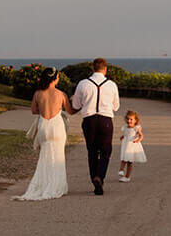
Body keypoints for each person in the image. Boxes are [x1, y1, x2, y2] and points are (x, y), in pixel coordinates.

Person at [15, 68, 71, 201]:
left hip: (44, 127)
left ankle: (43, 184)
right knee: (58, 157)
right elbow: (70, 110)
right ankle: (57, 186)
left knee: (44, 156)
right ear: (55, 79)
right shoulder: (61, 94)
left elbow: (34, 110)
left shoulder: (38, 94)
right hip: (57, 127)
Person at [69, 57, 120, 194]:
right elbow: (116, 107)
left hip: (89, 120)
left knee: (92, 151)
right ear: (105, 69)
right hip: (106, 120)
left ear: (93, 68)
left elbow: (76, 105)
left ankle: (94, 179)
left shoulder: (83, 84)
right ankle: (100, 177)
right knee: (105, 151)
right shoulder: (112, 85)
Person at [118, 109, 146, 182]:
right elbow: (125, 134)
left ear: (135, 120)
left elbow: (141, 135)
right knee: (123, 158)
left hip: (132, 145)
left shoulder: (136, 128)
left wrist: (138, 140)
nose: (129, 121)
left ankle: (127, 177)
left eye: (131, 119)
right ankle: (121, 170)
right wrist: (122, 136)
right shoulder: (125, 127)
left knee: (129, 162)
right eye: (127, 119)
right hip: (125, 144)